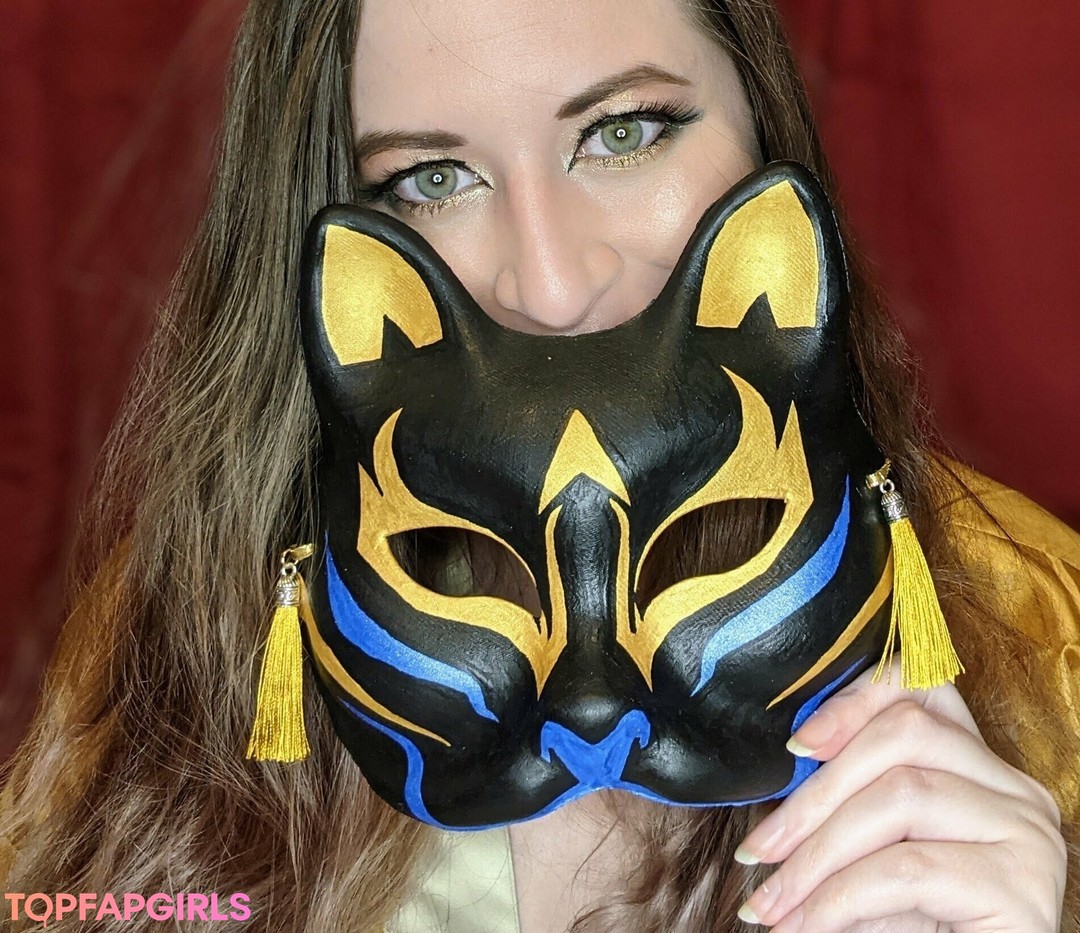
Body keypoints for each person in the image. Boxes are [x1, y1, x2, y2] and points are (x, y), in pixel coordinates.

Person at [0, 0, 1076, 931]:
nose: (553, 288)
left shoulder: (1048, 626)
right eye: (432, 178)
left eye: (624, 132)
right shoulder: (169, 652)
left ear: (764, 134)